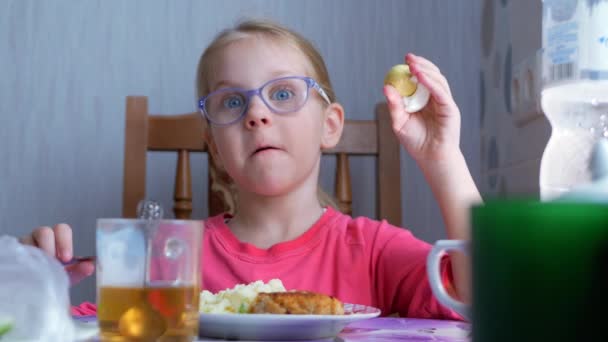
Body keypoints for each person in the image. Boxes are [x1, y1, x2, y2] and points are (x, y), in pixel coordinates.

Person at [21, 19, 481, 319]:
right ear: (214, 145)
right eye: (233, 101)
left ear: (330, 125)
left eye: (282, 94)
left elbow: (495, 298)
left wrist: (443, 159)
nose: (256, 114)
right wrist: (28, 285)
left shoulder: (375, 250)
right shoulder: (171, 258)